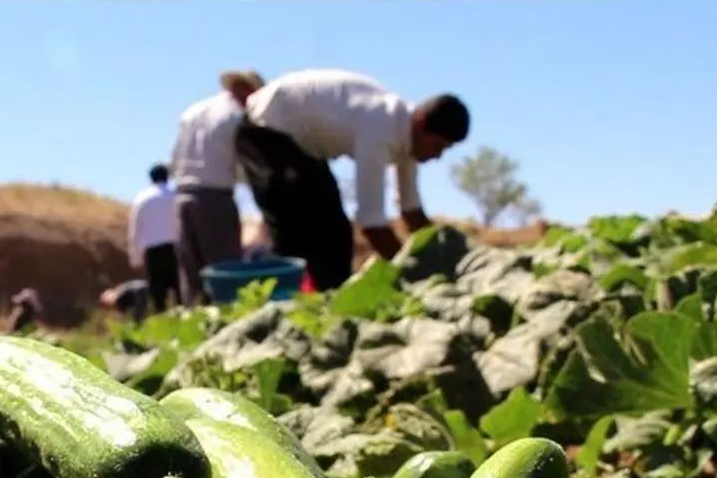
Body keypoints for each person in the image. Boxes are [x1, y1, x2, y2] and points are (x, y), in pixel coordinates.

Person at [234, 68, 471, 292]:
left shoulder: (407, 139)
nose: (438, 156)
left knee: (336, 235)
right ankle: (280, 304)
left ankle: (327, 305)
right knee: (296, 232)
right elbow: (372, 225)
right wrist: (415, 277)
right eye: (437, 146)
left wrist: (450, 258)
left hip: (303, 146)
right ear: (420, 125)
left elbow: (411, 213)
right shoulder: (381, 128)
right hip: (265, 129)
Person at [170, 69, 265, 306]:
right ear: (248, 91)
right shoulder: (235, 117)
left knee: (192, 276)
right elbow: (249, 166)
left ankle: (193, 327)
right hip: (215, 198)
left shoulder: (192, 112)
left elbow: (175, 159)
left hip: (183, 196)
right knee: (225, 274)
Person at [127, 164, 180, 314]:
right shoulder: (176, 195)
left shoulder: (142, 199)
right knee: (179, 289)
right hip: (175, 248)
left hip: (153, 252)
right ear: (167, 176)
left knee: (157, 293)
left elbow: (135, 229)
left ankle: (161, 321)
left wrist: (135, 257)